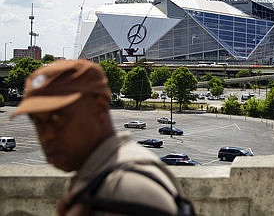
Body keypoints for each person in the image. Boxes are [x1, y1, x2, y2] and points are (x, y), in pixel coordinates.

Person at [11, 59, 193, 216]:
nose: (46, 135)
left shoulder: (124, 190)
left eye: (57, 118)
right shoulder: (104, 176)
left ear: (98, 109)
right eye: (37, 121)